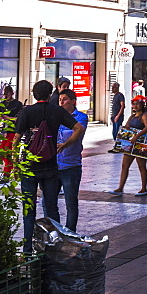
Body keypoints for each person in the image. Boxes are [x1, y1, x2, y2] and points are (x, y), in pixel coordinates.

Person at [13, 80, 84, 254]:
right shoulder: (57, 111)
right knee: (52, 208)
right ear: (50, 93)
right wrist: (65, 144)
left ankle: (28, 250)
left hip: (30, 166)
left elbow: (15, 140)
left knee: (28, 210)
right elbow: (79, 128)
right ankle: (54, 247)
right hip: (51, 166)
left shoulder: (26, 112)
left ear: (34, 93)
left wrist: (15, 164)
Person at [54, 88, 88, 232]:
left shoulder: (80, 117)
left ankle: (70, 232)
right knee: (49, 202)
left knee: (71, 202)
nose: (61, 103)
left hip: (71, 164)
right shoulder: (54, 116)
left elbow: (77, 132)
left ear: (73, 102)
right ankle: (55, 231)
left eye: (65, 100)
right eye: (60, 100)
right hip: (54, 165)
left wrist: (64, 145)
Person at [112, 96, 147, 194]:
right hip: (130, 144)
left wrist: (136, 136)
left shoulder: (144, 115)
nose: (135, 106)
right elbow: (127, 126)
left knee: (142, 166)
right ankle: (120, 188)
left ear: (142, 105)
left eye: (137, 103)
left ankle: (144, 188)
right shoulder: (132, 116)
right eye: (134, 104)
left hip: (140, 144)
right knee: (125, 166)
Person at [0, 84, 22, 177]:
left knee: (8, 151)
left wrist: (7, 118)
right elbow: (0, 116)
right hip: (5, 130)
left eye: (8, 94)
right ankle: (10, 169)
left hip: (13, 130)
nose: (6, 96)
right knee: (2, 150)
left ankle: (7, 172)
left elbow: (18, 118)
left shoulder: (17, 104)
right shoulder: (3, 104)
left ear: (12, 93)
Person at [108, 82, 125, 152]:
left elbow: (122, 106)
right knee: (114, 132)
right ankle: (116, 146)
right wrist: (112, 116)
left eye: (113, 87)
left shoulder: (120, 95)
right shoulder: (115, 96)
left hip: (118, 117)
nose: (112, 89)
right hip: (114, 116)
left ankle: (118, 147)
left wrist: (118, 116)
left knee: (117, 132)